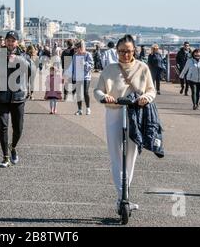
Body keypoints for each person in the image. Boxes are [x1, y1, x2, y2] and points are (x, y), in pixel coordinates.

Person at [94, 34, 156, 213]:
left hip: (135, 113)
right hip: (114, 112)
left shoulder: (142, 68)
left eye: (128, 51)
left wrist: (145, 97)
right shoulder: (109, 69)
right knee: (116, 155)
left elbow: (152, 90)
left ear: (134, 51)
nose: (125, 55)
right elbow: (98, 90)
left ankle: (124, 197)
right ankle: (123, 196)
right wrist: (104, 96)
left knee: (131, 156)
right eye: (121, 51)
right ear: (116, 51)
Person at [0, 31, 31, 168]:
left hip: (18, 97)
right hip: (1, 97)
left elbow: (31, 70)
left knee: (18, 128)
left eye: (13, 40)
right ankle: (5, 157)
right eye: (8, 40)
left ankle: (13, 147)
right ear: (5, 41)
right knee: (3, 127)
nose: (10, 43)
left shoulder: (24, 56)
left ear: (18, 42)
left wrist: (17, 59)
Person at [67, 40, 94, 116]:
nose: (76, 50)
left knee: (85, 92)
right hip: (78, 76)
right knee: (78, 93)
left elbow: (91, 66)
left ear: (81, 47)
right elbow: (72, 66)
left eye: (77, 48)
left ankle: (88, 108)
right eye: (75, 48)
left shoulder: (88, 54)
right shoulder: (75, 55)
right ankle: (79, 110)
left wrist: (84, 63)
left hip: (86, 77)